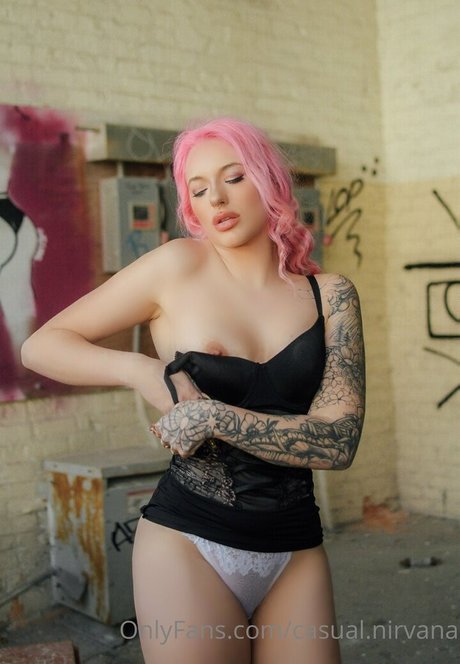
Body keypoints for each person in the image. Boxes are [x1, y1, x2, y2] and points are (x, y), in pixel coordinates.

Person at [21, 116, 365, 663]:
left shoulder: (333, 296)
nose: (216, 199)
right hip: (189, 541)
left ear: (270, 181)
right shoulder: (177, 266)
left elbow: (338, 440)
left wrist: (212, 418)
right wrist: (142, 370)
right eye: (198, 189)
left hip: (295, 547)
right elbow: (42, 346)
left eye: (234, 177)